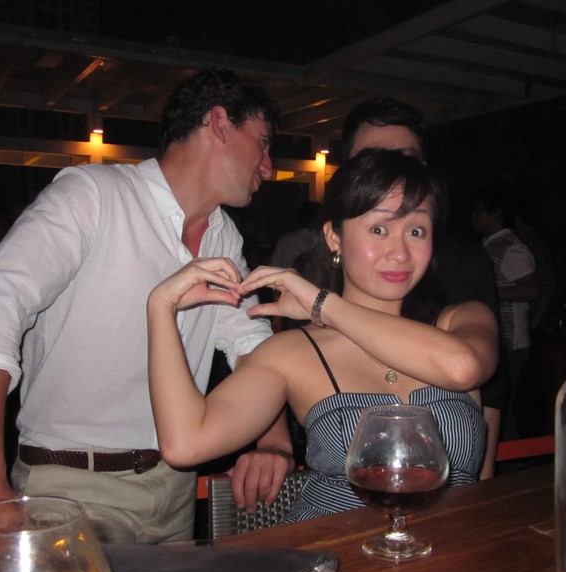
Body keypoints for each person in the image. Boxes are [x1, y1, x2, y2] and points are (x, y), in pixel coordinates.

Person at [0, 67, 294, 556]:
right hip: (72, 491)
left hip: (175, 491)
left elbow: (251, 344)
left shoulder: (222, 234)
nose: (269, 167)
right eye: (263, 143)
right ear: (218, 123)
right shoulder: (94, 194)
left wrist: (273, 440)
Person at [147, 149, 499, 521]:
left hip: (453, 549)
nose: (399, 253)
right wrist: (160, 307)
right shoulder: (293, 353)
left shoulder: (462, 321)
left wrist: (322, 305)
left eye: (416, 231)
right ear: (334, 237)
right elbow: (186, 444)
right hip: (334, 549)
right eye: (379, 229)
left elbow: (462, 368)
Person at [341, 96, 502, 479]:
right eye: (375, 158)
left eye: (407, 158)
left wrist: (484, 484)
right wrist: (274, 442)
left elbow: (488, 387)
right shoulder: (316, 265)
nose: (394, 171)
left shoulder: (462, 259)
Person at [472, 182, 540, 442]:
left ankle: (511, 460)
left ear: (497, 213)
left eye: (480, 211)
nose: (474, 216)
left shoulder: (512, 248)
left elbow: (531, 290)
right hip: (497, 339)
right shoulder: (489, 246)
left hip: (511, 341)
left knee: (501, 408)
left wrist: (488, 291)